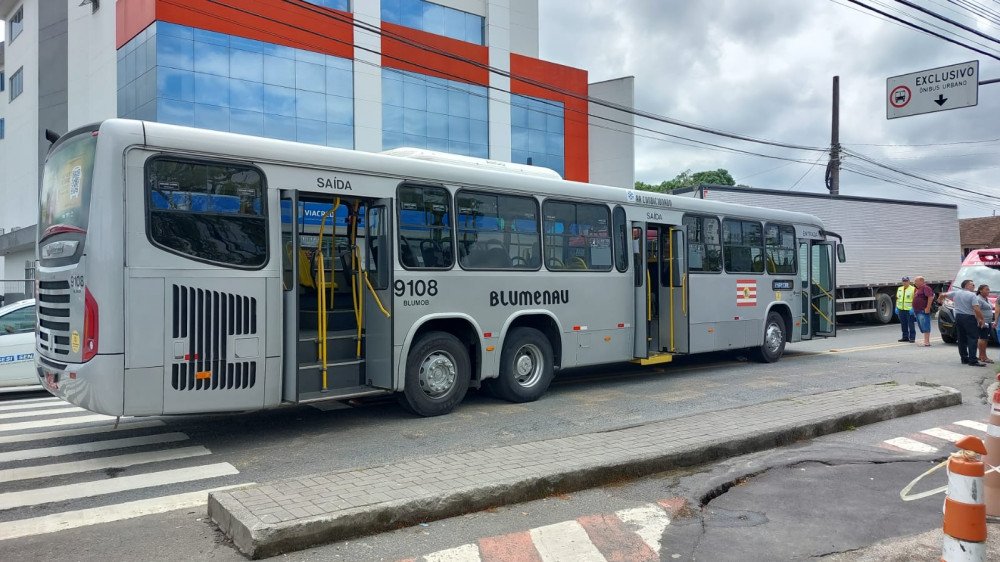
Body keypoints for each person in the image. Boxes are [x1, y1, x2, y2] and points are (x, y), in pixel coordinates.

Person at [939, 279, 986, 366]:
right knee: (972, 338)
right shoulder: (972, 295)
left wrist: (939, 300)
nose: (974, 286)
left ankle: (964, 358)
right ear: (967, 285)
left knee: (961, 338)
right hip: (969, 317)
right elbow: (976, 308)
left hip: (959, 317)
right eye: (972, 285)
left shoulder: (956, 293)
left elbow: (943, 294)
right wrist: (982, 319)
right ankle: (973, 360)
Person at [911, 276, 935, 347]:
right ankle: (925, 341)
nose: (915, 282)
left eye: (916, 281)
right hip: (917, 310)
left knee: (925, 325)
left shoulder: (926, 288)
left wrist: (927, 308)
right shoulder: (918, 289)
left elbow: (930, 297)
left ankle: (927, 342)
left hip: (923, 310)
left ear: (921, 281)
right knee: (921, 325)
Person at [976, 284, 994, 364]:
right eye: (986, 289)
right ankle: (983, 357)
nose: (988, 291)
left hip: (988, 321)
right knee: (983, 339)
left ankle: (982, 356)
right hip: (983, 322)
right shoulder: (978, 299)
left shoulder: (986, 299)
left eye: (988, 289)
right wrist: (980, 321)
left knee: (985, 339)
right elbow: (976, 311)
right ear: (980, 290)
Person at [896, 276, 916, 343]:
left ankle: (912, 338)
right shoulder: (899, 288)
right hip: (901, 309)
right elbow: (897, 299)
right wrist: (896, 307)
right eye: (903, 281)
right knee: (903, 324)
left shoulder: (913, 289)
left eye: (906, 281)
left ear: (909, 281)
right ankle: (905, 337)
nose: (905, 282)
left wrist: (913, 308)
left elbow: (915, 300)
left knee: (911, 324)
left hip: (909, 310)